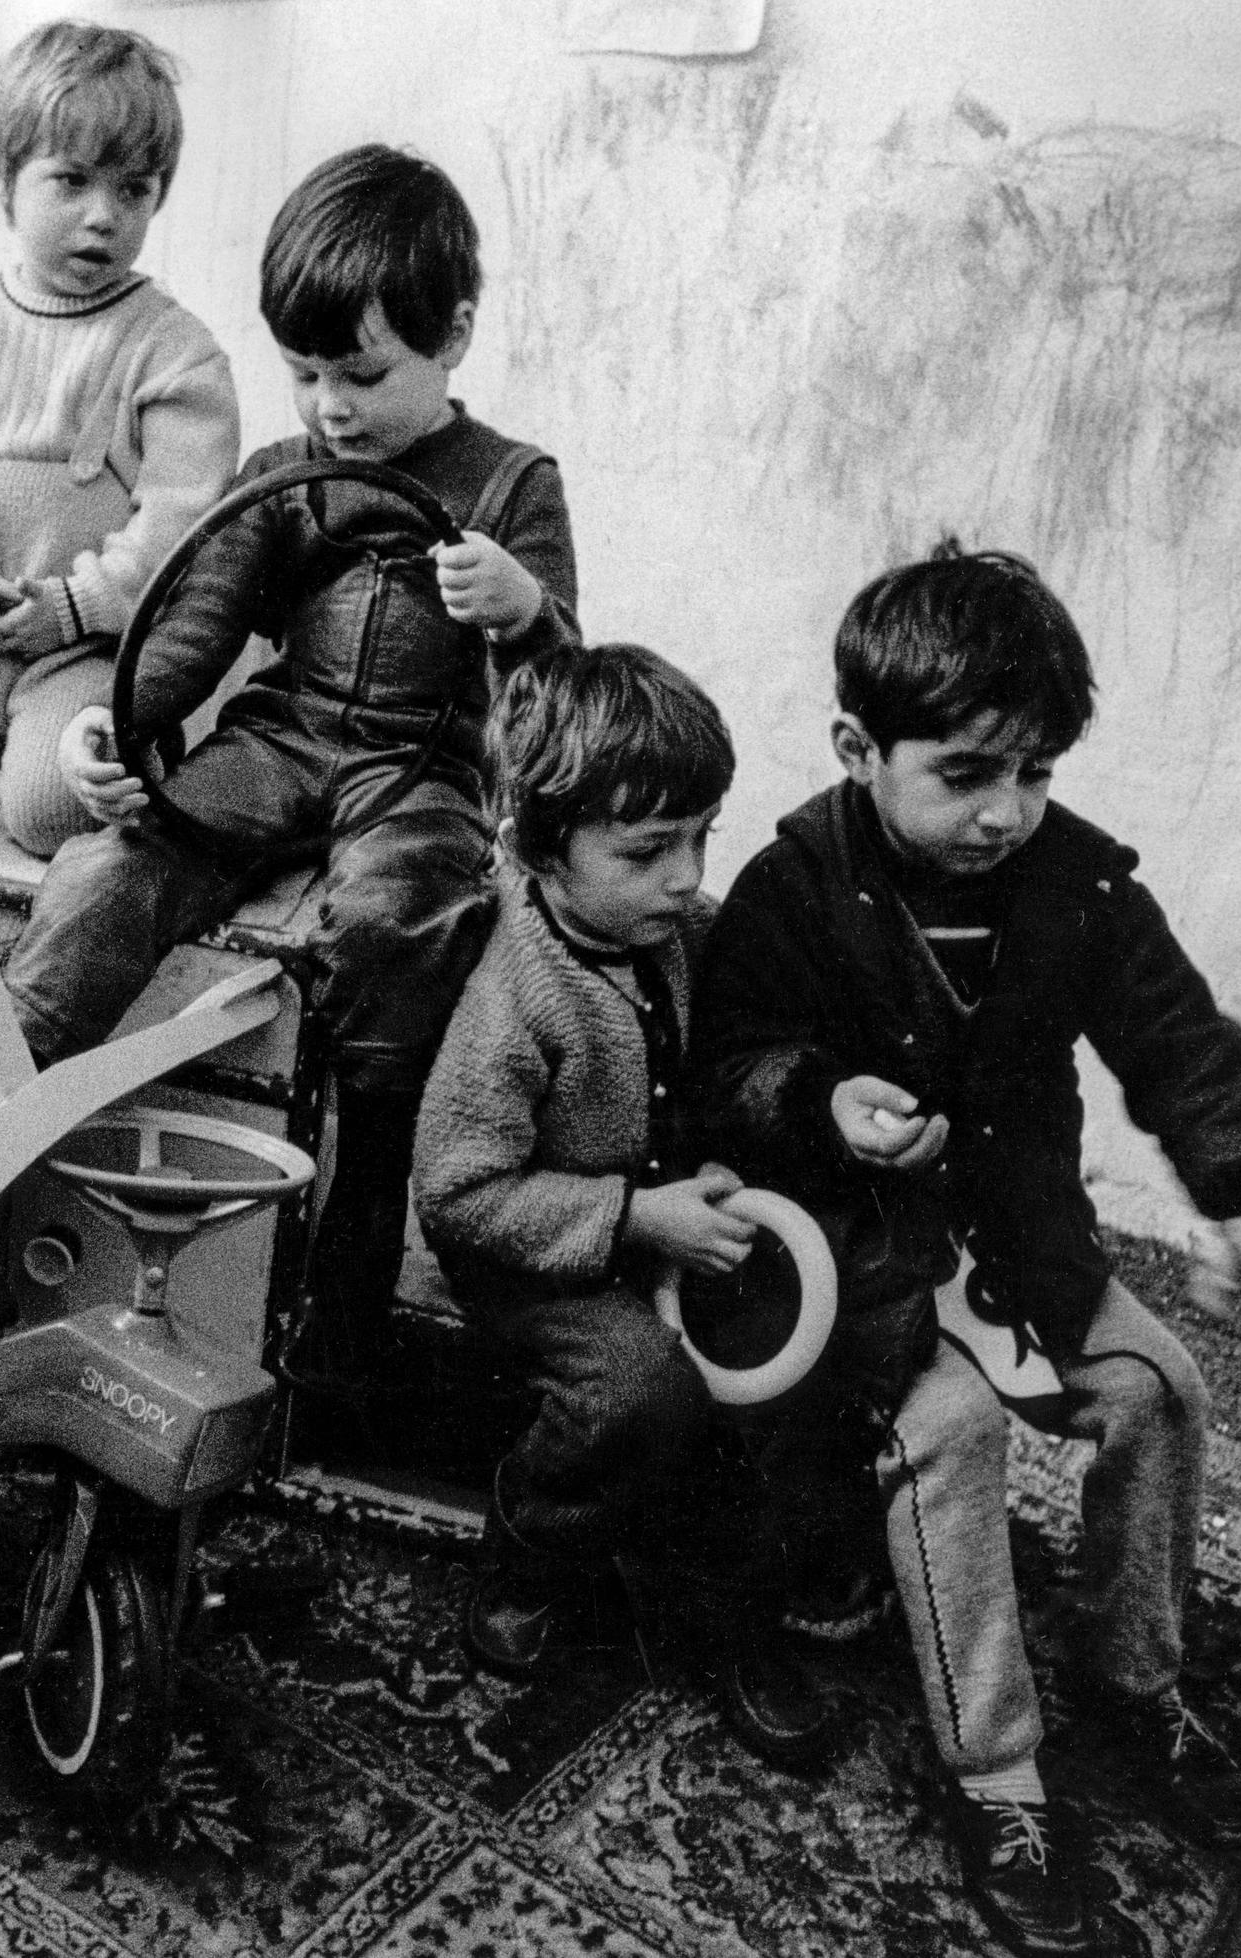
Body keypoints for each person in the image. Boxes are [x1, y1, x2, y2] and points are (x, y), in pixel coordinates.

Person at [691, 542, 1241, 1957]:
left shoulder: (1076, 886)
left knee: (1160, 1392)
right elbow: (724, 1063)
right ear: (860, 747)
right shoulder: (793, 887)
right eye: (966, 773)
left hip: (1024, 1246)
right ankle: (1000, 1771)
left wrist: (1239, 1174)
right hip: (867, 1261)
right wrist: (817, 1100)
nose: (1005, 811)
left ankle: (1137, 1674)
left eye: (1032, 771)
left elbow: (1176, 1033)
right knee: (949, 1437)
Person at [4, 144, 580, 1379]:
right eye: (305, 372)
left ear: (455, 334)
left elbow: (565, 703)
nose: (329, 405)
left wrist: (523, 609)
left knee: (395, 918)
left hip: (422, 766)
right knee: (116, 868)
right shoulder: (281, 478)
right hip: (281, 738)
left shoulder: (513, 486)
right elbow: (188, 634)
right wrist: (117, 729)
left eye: (363, 374)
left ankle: (355, 1234)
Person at [409, 642, 835, 1767]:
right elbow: (458, 1192)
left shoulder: (675, 934)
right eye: (650, 850)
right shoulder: (514, 995)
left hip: (661, 1221)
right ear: (539, 848)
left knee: (796, 1361)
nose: (689, 875)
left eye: (702, 838)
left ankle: (735, 1603)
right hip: (533, 1251)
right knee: (637, 1386)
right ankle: (530, 1541)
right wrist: (634, 1218)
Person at [0, 19, 240, 857]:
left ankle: (121, 746)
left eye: (133, 190)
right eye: (70, 181)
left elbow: (180, 525)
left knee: (46, 813)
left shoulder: (176, 354)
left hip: (89, 648)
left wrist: (72, 610)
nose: (102, 218)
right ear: (4, 182)